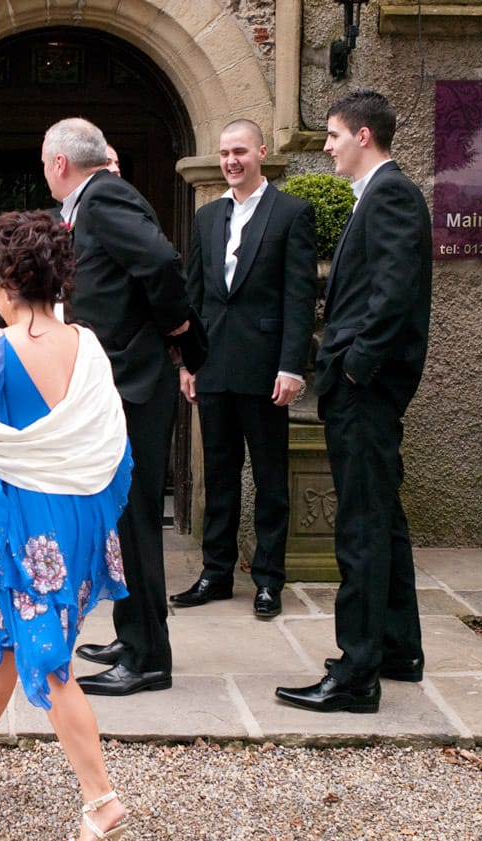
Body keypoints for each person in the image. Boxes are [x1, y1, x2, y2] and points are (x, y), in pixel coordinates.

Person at [0, 210, 133, 841]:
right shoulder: (88, 344)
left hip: (32, 524)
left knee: (47, 656)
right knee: (6, 629)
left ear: (4, 281)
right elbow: (112, 442)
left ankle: (101, 799)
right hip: (80, 517)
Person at [275, 90, 432, 714]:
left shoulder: (391, 195)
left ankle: (356, 675)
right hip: (364, 390)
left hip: (366, 392)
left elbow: (392, 296)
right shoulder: (378, 195)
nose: (328, 145)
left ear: (364, 135)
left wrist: (353, 370)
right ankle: (398, 648)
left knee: (361, 528)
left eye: (335, 134)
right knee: (382, 517)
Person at [42, 117, 194, 697]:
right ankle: (133, 635)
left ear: (60, 163)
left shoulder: (104, 197)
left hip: (134, 385)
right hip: (116, 384)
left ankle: (149, 657)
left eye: (45, 162)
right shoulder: (90, 203)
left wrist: (176, 327)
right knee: (117, 523)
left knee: (133, 525)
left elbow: (160, 263)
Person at [174, 119, 317, 619]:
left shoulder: (292, 213)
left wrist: (292, 366)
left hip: (265, 368)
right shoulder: (207, 217)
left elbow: (300, 297)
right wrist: (187, 362)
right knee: (219, 477)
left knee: (271, 480)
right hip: (213, 365)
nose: (231, 161)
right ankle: (215, 573)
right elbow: (194, 294)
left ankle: (269, 580)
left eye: (239, 151)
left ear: (261, 152)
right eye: (224, 153)